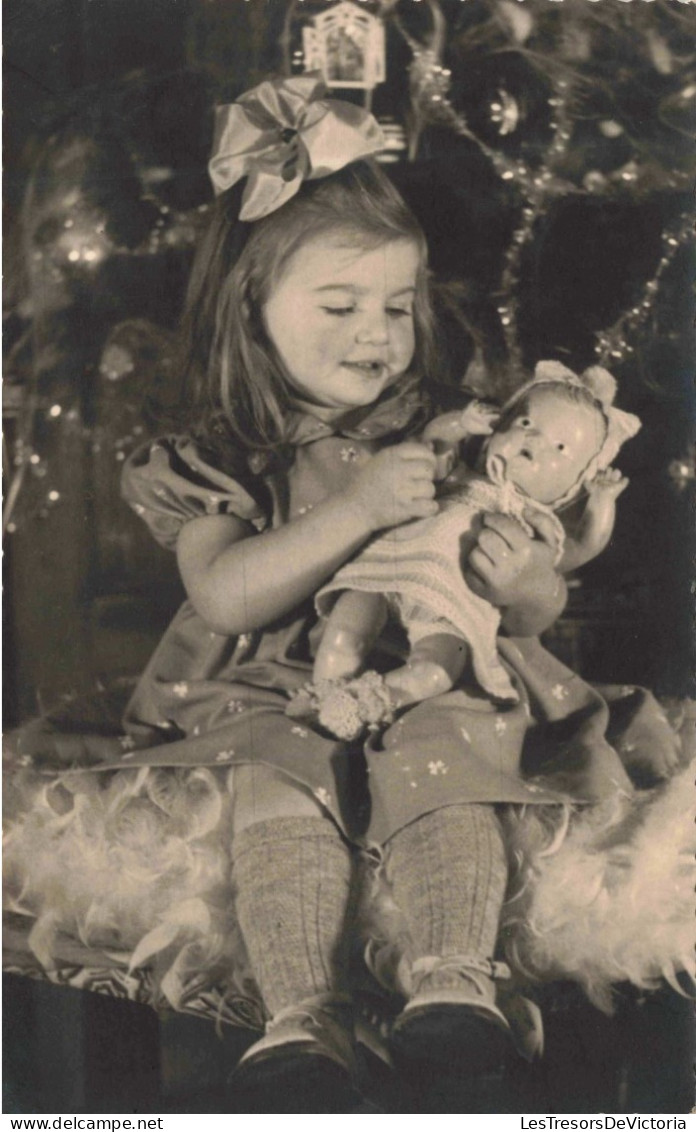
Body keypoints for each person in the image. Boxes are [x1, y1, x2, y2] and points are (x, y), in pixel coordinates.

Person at [5, 76, 684, 1113]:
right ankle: (298, 1014)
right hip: (270, 695)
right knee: (281, 777)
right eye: (340, 305)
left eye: (397, 306)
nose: (377, 332)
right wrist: (360, 505)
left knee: (451, 757)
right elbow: (229, 596)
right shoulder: (215, 453)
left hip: (435, 679)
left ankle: (455, 987)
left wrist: (532, 581)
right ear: (251, 310)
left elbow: (506, 614)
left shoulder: (451, 435)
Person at [300, 364, 640, 739]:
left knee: (435, 672)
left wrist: (603, 501)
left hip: (453, 608)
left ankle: (370, 703)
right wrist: (460, 424)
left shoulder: (535, 525)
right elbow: (433, 442)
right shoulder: (459, 473)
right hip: (386, 572)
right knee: (344, 634)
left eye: (560, 448)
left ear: (573, 485)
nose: (534, 444)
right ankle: (324, 699)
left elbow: (582, 546)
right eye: (526, 424)